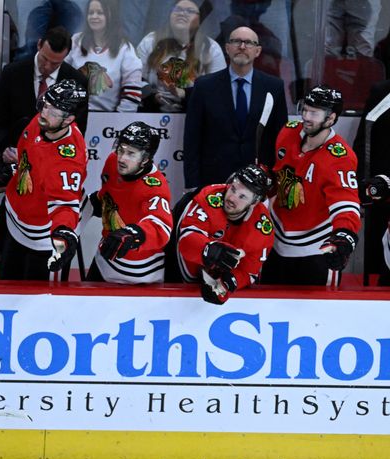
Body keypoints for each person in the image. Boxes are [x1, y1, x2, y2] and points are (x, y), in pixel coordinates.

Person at [261, 85, 361, 287]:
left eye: (314, 112)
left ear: (331, 118)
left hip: (314, 250)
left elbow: (347, 205)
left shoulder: (339, 157)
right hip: (276, 242)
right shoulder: (288, 133)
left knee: (316, 317)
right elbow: (276, 176)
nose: (306, 116)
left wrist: (344, 235)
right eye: (305, 109)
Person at [0, 79, 88, 281]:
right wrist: (14, 171)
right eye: (45, 105)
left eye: (53, 111)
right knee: (6, 285)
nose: (44, 113)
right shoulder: (43, 122)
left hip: (42, 235)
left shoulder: (68, 160)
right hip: (16, 219)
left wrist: (63, 232)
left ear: (68, 119)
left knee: (36, 298)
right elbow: (26, 155)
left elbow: (65, 204)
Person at [183, 26, 286, 191]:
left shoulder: (274, 87)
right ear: (227, 48)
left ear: (258, 51)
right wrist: (192, 184)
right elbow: (192, 139)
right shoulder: (204, 86)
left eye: (249, 43)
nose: (242, 47)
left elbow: (281, 137)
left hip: (258, 182)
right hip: (212, 179)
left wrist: (277, 181)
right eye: (236, 41)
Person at [0, 26, 88, 185]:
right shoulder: (12, 73)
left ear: (66, 56)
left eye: (55, 63)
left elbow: (78, 130)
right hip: (12, 160)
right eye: (44, 59)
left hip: (54, 164)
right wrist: (5, 147)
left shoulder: (77, 82)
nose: (47, 67)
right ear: (39, 45)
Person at [87, 121, 172, 284]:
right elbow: (107, 194)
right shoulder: (112, 162)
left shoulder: (154, 187)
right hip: (104, 258)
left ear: (146, 158)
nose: (122, 158)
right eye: (121, 149)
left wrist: (135, 234)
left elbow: (161, 225)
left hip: (140, 271)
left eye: (131, 153)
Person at [176, 164, 274, 304]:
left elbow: (249, 271)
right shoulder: (209, 197)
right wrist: (208, 250)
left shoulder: (261, 229)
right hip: (190, 268)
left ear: (255, 202)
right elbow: (186, 240)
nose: (232, 198)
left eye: (242, 196)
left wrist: (226, 284)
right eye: (233, 189)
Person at [136, 0, 226, 113]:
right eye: (177, 9)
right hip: (152, 112)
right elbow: (135, 79)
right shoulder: (151, 41)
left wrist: (185, 94)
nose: (182, 13)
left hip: (193, 115)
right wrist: (153, 96)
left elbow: (218, 92)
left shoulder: (211, 48)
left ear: (200, 19)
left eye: (190, 11)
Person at [64, 0, 141, 112]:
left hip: (110, 120)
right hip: (73, 116)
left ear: (111, 15)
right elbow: (61, 77)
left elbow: (132, 93)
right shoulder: (75, 41)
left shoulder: (125, 49)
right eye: (91, 13)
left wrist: (118, 119)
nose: (94, 16)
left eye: (100, 13)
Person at [353, 79, 390, 285]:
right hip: (381, 193)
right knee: (379, 264)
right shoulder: (381, 91)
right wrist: (361, 186)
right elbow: (363, 141)